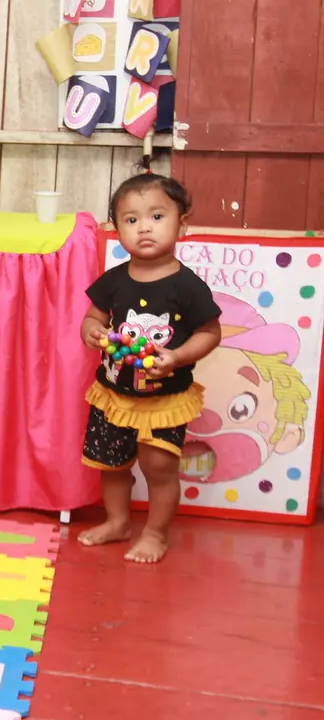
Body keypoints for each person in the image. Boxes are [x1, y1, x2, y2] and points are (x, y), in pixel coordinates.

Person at [78, 174, 222, 563]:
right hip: (114, 395)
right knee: (112, 466)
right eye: (131, 219)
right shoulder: (112, 280)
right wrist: (91, 331)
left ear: (182, 224)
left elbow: (210, 333)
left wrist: (177, 356)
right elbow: (92, 317)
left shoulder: (188, 287)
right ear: (116, 229)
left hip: (163, 399)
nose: (144, 227)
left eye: (157, 217)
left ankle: (156, 533)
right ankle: (117, 522)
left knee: (159, 467)